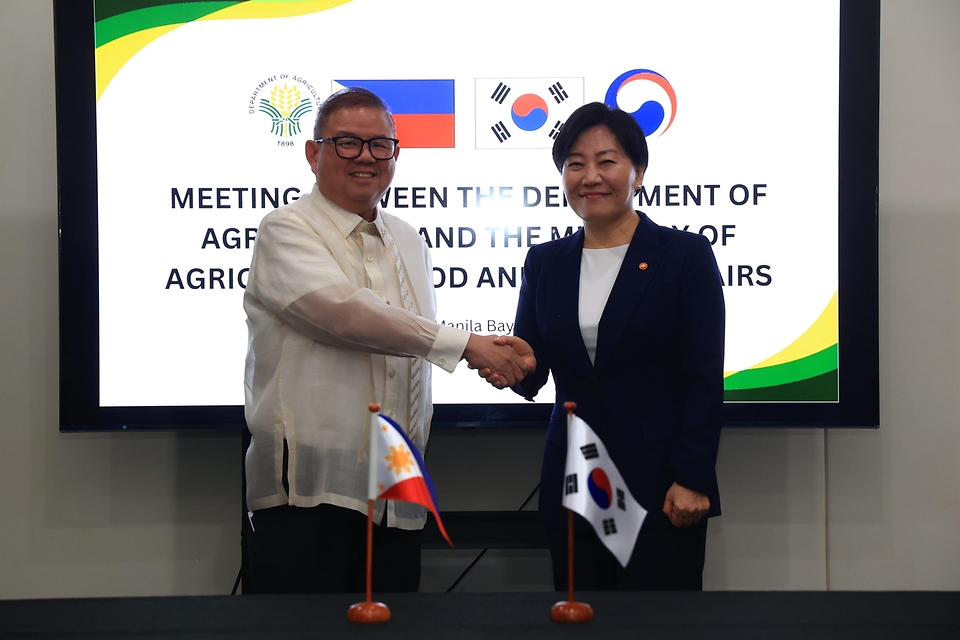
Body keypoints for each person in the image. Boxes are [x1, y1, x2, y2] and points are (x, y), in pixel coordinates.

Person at [242, 87, 533, 594]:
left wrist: (499, 356)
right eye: (347, 142)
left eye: (380, 145)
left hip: (397, 488)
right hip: (311, 488)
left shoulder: (409, 239)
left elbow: (407, 347)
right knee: (304, 629)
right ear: (313, 153)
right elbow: (346, 316)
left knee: (397, 626)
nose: (366, 157)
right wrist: (468, 346)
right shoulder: (286, 228)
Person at [493, 102, 725, 590]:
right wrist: (515, 366)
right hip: (574, 483)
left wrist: (693, 476)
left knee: (661, 623)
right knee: (578, 620)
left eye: (607, 161)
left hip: (660, 488)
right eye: (575, 164)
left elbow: (704, 376)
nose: (590, 177)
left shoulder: (683, 255)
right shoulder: (545, 262)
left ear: (638, 172)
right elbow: (533, 367)